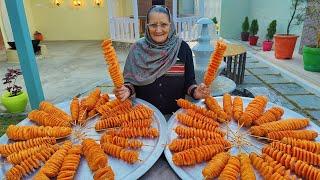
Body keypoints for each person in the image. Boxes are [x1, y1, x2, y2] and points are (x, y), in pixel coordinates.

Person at [114, 5, 210, 115]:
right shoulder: (137, 49)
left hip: (176, 117)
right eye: (153, 25)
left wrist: (195, 91)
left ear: (170, 25)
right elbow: (131, 82)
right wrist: (126, 90)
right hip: (143, 117)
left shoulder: (182, 48)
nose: (158, 30)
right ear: (147, 26)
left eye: (164, 24)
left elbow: (189, 82)